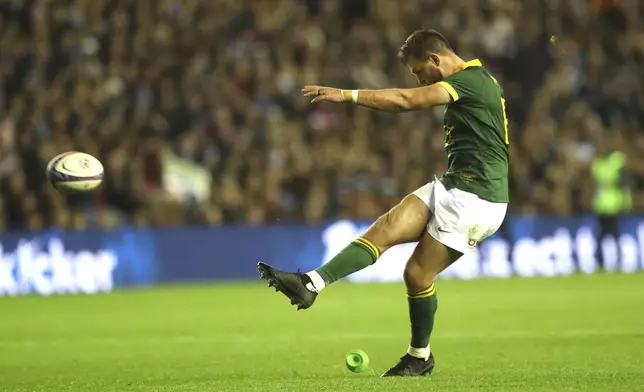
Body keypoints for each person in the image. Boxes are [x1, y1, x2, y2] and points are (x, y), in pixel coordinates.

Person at [257, 29, 510, 377]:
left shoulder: (473, 80)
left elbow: (407, 101)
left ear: (435, 59)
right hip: (454, 185)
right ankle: (311, 284)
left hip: (478, 199)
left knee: (417, 275)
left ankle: (419, 357)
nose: (419, 79)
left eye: (418, 71)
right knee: (386, 228)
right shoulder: (469, 83)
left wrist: (346, 95)